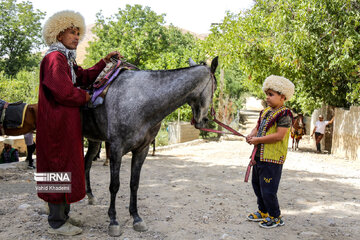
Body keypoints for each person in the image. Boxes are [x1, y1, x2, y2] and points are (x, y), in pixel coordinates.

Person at [37, 10, 120, 236]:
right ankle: (56, 223)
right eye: (71, 33)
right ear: (58, 34)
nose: (76, 37)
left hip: (66, 124)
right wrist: (85, 97)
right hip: (56, 125)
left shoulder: (67, 59)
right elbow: (63, 91)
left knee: (66, 167)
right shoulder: (54, 58)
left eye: (77, 33)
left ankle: (63, 216)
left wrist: (104, 62)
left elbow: (83, 77)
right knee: (57, 166)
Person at [246, 75, 294, 229]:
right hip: (259, 157)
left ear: (283, 96)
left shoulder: (285, 114)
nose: (267, 97)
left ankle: (276, 216)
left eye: (271, 94)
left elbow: (279, 136)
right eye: (266, 94)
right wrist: (252, 134)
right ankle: (264, 211)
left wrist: (258, 140)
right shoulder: (265, 112)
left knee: (268, 190)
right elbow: (258, 127)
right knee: (257, 186)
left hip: (272, 159)